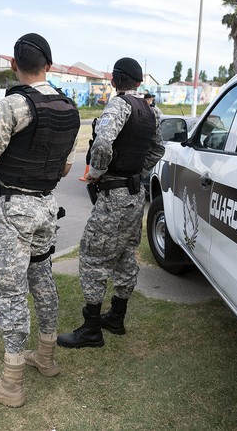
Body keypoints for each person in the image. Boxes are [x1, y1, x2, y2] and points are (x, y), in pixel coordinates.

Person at [0, 33, 80, 407]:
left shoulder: (12, 106)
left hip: (15, 210)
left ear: (15, 66)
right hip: (47, 206)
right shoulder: (69, 108)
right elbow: (64, 168)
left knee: (11, 291)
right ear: (48, 65)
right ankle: (45, 357)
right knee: (42, 279)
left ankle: (11, 383)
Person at [57, 57, 164, 349]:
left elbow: (103, 144)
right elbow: (158, 148)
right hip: (133, 196)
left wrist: (97, 173)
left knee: (93, 257)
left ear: (115, 79)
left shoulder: (118, 106)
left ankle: (92, 328)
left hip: (113, 196)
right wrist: (138, 172)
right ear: (139, 82)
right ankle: (116, 317)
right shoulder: (152, 111)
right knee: (125, 255)